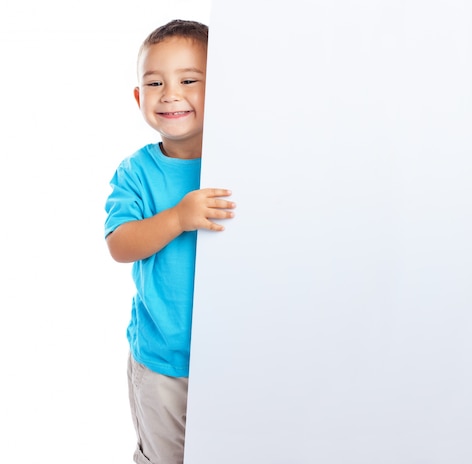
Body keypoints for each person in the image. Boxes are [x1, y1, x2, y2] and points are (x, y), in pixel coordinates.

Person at [104, 19, 236, 464]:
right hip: (163, 360)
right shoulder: (136, 172)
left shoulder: (242, 162)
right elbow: (120, 243)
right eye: (155, 82)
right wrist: (178, 217)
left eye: (188, 80)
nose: (170, 93)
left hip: (234, 357)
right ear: (140, 98)